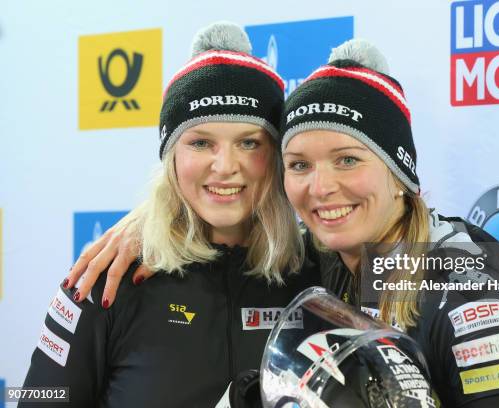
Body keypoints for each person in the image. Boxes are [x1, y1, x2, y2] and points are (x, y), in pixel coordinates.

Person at [65, 39, 499, 407]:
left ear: (400, 174)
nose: (321, 187)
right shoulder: (327, 261)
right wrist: (150, 225)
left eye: (347, 159)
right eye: (300, 165)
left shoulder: (462, 286)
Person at [20, 22, 318, 408]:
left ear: (277, 156)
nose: (225, 166)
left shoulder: (313, 275)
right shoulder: (105, 278)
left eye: (249, 143)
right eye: (200, 142)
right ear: (172, 157)